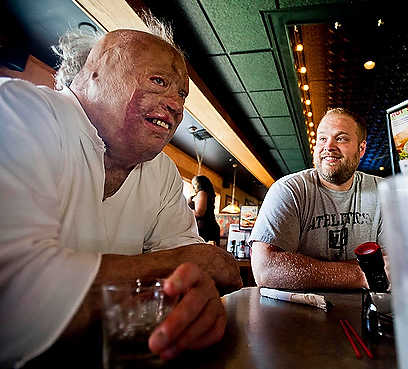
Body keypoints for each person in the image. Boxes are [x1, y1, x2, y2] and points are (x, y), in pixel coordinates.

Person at [0, 16, 242, 368]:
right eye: (159, 81)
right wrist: (178, 264)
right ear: (93, 72)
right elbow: (15, 301)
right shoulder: (20, 110)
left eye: (181, 94)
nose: (176, 106)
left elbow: (196, 280)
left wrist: (196, 297)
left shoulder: (162, 172)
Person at [249, 108, 385, 290]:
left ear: (361, 149)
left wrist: (307, 268)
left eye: (341, 138)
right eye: (322, 138)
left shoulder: (384, 191)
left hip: (369, 309)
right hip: (299, 311)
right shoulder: (289, 189)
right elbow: (265, 269)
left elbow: (396, 262)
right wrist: (360, 273)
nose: (328, 146)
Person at [190, 175, 221, 245]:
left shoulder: (202, 193)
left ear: (199, 184)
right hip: (207, 228)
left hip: (205, 230)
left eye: (194, 184)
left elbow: (199, 213)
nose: (193, 187)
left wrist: (185, 210)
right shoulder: (204, 194)